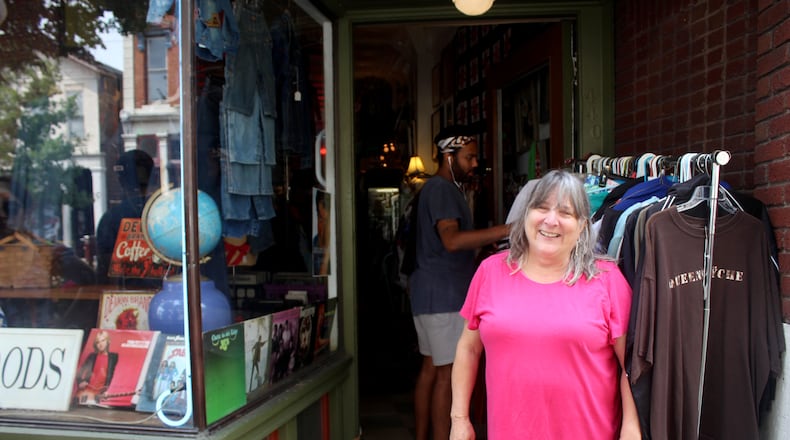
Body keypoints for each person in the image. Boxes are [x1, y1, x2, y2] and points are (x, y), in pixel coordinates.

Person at [449, 169, 640, 440]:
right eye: (542, 208)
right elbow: (468, 348)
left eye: (565, 212)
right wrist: (459, 418)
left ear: (583, 225)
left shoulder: (607, 280)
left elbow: (631, 366)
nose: (551, 220)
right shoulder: (490, 272)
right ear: (525, 215)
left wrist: (631, 430)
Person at [409, 125, 509, 440]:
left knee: (430, 370)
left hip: (429, 295)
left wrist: (482, 246)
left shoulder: (438, 189)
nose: (475, 163)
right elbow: (451, 241)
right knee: (446, 376)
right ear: (448, 156)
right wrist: (507, 230)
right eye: (469, 157)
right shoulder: (441, 189)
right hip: (444, 296)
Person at [74, 330, 119, 405]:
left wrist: (109, 390)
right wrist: (80, 382)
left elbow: (116, 375)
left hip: (102, 393)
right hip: (87, 391)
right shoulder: (92, 356)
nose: (100, 344)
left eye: (103, 340)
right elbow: (80, 371)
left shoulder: (113, 357)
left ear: (108, 341)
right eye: (98, 342)